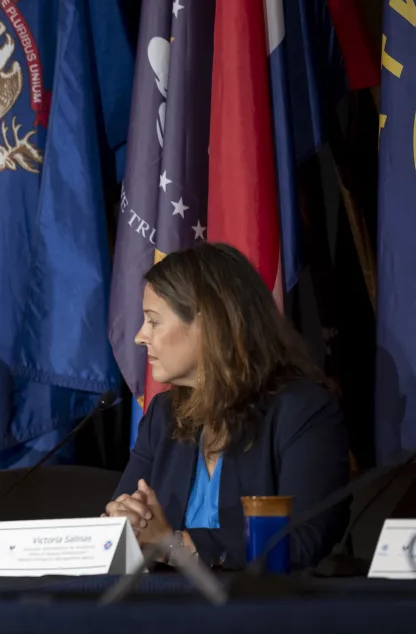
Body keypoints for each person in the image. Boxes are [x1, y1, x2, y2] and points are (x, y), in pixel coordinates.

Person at [106, 243, 349, 570]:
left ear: (209, 324)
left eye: (153, 321)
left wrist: (172, 544)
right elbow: (122, 529)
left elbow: (304, 541)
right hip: (160, 609)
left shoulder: (303, 411)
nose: (139, 336)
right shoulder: (163, 416)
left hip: (261, 613)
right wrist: (122, 522)